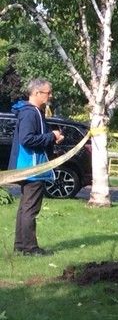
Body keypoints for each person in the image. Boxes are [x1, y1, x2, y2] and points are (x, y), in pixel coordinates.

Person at [8, 79, 63, 256]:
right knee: (30, 208)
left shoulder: (32, 112)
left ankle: (20, 246)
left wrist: (52, 138)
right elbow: (27, 139)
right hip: (32, 167)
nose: (50, 96)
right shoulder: (31, 114)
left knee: (25, 207)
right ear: (37, 93)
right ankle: (30, 248)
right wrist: (51, 136)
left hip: (28, 166)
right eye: (48, 92)